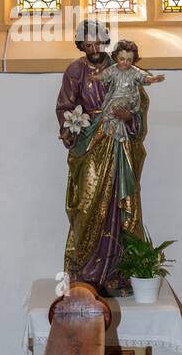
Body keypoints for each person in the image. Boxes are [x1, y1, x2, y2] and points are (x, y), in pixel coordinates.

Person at [55, 19, 147, 294]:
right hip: (89, 144)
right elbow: (65, 106)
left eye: (97, 41)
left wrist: (129, 116)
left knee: (118, 206)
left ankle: (116, 274)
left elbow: (137, 105)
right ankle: (84, 273)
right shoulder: (75, 71)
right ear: (81, 44)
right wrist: (68, 129)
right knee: (87, 204)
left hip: (118, 142)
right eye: (87, 42)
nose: (93, 47)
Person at [90, 40, 165, 143]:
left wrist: (152, 79)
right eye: (122, 59)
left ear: (133, 60)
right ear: (116, 57)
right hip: (115, 97)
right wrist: (95, 77)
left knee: (115, 109)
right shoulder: (113, 69)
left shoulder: (134, 72)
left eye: (129, 60)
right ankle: (115, 132)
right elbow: (104, 75)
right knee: (109, 113)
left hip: (128, 99)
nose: (125, 62)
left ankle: (112, 131)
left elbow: (143, 77)